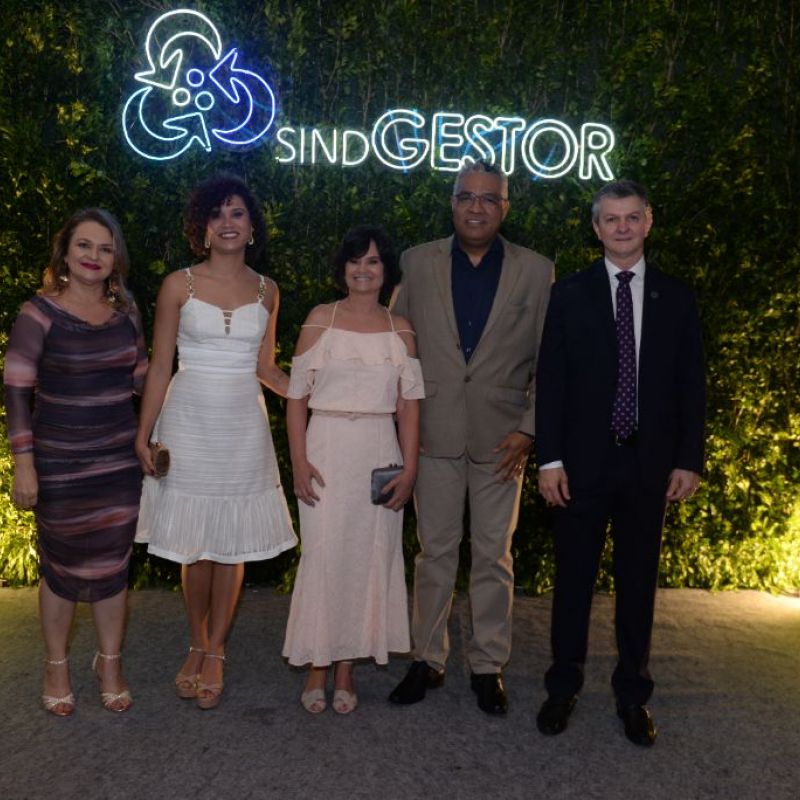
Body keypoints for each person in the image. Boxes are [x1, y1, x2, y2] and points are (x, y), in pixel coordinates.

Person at [535, 179, 705, 746]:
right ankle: (562, 688)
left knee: (637, 585)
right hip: (581, 467)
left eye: (632, 217)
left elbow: (692, 386)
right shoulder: (570, 294)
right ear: (596, 227)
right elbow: (552, 383)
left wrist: (688, 459)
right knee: (573, 583)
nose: (623, 227)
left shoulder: (677, 297)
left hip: (649, 467)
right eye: (612, 219)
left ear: (648, 221)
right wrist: (549, 460)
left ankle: (633, 695)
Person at [389, 160, 554, 714]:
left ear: (505, 207)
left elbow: (551, 360)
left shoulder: (537, 271)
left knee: (493, 556)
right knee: (433, 553)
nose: (476, 207)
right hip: (432, 431)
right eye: (466, 197)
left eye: (488, 199)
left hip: (503, 440)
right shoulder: (416, 262)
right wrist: (399, 423)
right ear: (452, 202)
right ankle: (426, 658)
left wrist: (530, 428)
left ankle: (488, 665)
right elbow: (395, 345)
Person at [135, 173, 297, 710]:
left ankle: (217, 650)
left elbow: (267, 368)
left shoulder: (268, 291)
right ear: (203, 227)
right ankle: (196, 642)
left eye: (237, 213)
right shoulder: (176, 286)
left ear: (252, 227)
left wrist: (317, 389)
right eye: (217, 213)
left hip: (242, 427)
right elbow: (161, 366)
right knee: (195, 545)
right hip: (188, 422)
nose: (227, 222)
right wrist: (143, 433)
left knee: (231, 546)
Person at [4, 208, 148, 715]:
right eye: (84, 245)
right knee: (61, 569)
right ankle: (56, 665)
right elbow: (16, 392)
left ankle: (109, 664)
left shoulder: (127, 314)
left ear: (116, 259)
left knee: (114, 567)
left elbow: (143, 382)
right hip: (59, 466)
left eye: (105, 248)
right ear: (65, 252)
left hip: (118, 465)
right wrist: (24, 464)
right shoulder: (38, 313)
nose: (93, 256)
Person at [282, 224, 423, 715]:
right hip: (325, 449)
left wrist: (410, 469)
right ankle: (317, 664)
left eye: (373, 261)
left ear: (387, 270)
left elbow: (410, 407)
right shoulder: (319, 320)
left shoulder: (401, 330)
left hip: (379, 453)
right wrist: (298, 461)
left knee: (369, 558)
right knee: (323, 554)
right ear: (342, 268)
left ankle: (346, 667)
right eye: (355, 261)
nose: (363, 270)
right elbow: (295, 399)